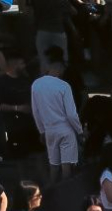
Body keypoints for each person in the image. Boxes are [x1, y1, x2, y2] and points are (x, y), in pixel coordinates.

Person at [30, 49, 83, 184]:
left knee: (54, 165)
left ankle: (51, 192)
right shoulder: (64, 86)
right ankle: (65, 193)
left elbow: (36, 111)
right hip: (65, 128)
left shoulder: (36, 85)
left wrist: (41, 130)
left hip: (49, 129)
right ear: (59, 67)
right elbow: (71, 114)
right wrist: (79, 130)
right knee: (66, 166)